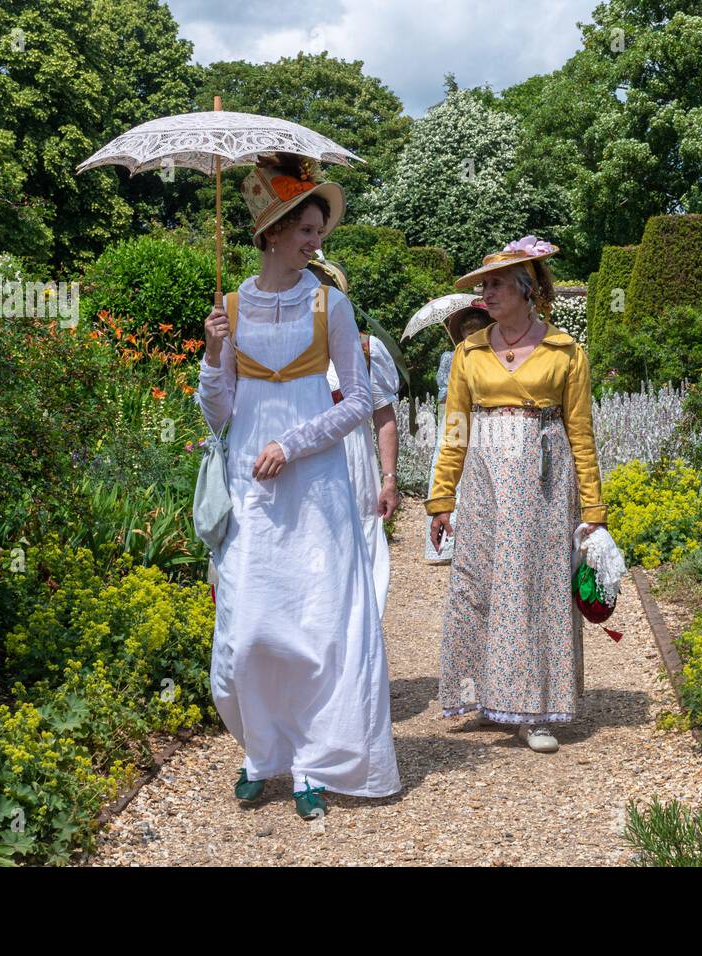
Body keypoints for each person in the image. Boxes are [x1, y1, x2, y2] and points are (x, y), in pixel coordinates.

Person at [197, 153, 401, 818]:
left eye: (319, 231)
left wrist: (293, 443)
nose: (316, 242)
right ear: (273, 232)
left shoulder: (330, 304)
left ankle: (314, 761)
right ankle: (263, 752)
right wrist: (210, 353)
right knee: (250, 630)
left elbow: (357, 400)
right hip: (252, 490)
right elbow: (221, 413)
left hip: (313, 487)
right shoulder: (230, 309)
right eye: (306, 230)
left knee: (318, 624)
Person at [425, 236, 607, 753]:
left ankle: (536, 709)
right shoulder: (469, 351)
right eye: (484, 285)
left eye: (497, 284)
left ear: (527, 289)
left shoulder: (565, 351)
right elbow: (455, 427)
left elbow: (581, 432)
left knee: (534, 588)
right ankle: (481, 696)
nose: (487, 293)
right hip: (484, 480)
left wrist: (593, 508)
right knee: (478, 581)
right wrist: (442, 498)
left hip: (544, 482)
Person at [309, 256, 402, 617]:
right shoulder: (288, 346)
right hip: (305, 456)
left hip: (352, 455)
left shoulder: (366, 349)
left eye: (320, 288)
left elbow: (384, 418)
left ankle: (363, 630)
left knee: (361, 537)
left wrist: (390, 479)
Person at [423, 298, 492, 563]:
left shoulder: (491, 358)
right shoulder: (452, 358)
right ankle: (447, 542)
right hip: (458, 421)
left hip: (484, 424)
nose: (471, 336)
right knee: (450, 470)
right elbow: (444, 394)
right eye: (467, 332)